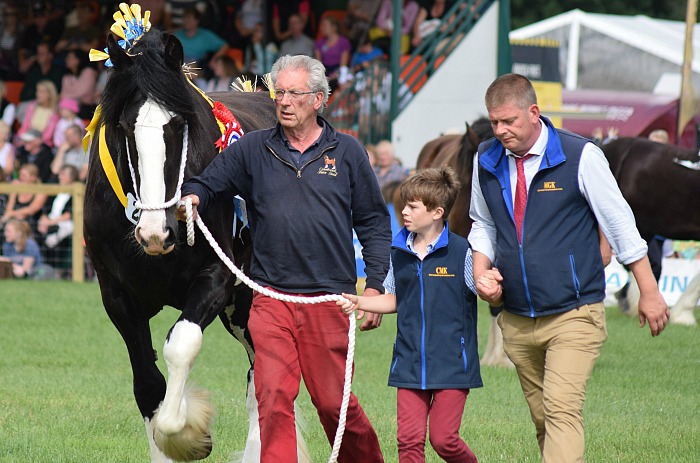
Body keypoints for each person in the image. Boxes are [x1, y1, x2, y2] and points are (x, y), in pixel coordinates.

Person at [178, 55, 390, 463]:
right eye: (280, 92)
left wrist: (376, 285)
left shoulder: (347, 152)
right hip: (271, 299)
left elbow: (374, 222)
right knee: (273, 398)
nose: (284, 101)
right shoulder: (254, 149)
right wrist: (194, 196)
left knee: (333, 405)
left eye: (295, 93)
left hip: (329, 301)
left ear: (319, 99)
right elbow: (209, 182)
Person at [469, 73, 670, 463]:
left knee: (561, 409)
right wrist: (481, 272)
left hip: (575, 312)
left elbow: (619, 223)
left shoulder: (581, 155)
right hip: (516, 316)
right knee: (545, 420)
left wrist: (649, 290)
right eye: (494, 122)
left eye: (508, 121)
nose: (500, 130)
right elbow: (483, 224)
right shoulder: (485, 158)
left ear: (534, 112)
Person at [337, 166, 481, 463]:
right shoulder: (398, 251)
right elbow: (393, 300)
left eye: (412, 206)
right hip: (409, 363)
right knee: (408, 441)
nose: (403, 211)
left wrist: (494, 284)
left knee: (444, 440)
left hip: (453, 365)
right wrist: (358, 302)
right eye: (404, 204)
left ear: (437, 211)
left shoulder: (463, 252)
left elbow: (484, 290)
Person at [37, 164, 78, 277]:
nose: (60, 177)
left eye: (63, 175)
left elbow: (69, 214)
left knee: (54, 235)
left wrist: (50, 222)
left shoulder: (75, 193)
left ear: (71, 177)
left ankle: (57, 269)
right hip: (51, 221)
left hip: (64, 224)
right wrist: (44, 219)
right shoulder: (57, 191)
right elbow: (46, 209)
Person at [173, 8, 229, 73]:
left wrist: (214, 59)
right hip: (178, 63)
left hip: (196, 65)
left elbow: (225, 46)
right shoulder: (177, 34)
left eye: (189, 19)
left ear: (197, 21)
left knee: (191, 67)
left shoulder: (205, 35)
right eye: (185, 18)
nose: (186, 21)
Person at [0, 163, 48, 235]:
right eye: (20, 175)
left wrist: (12, 214)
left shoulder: (40, 192)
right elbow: (9, 207)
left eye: (24, 176)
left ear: (33, 178)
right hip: (13, 221)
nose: (21, 178)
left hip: (31, 225)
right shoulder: (17, 188)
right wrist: (14, 190)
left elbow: (31, 210)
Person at [16, 80, 60, 149]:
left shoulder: (55, 112)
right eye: (37, 91)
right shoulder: (32, 106)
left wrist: (35, 142)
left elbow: (49, 134)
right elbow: (25, 125)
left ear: (49, 94)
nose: (38, 94)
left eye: (41, 92)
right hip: (28, 137)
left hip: (43, 143)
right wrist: (20, 137)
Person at [314, 16, 353, 88]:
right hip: (325, 72)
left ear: (334, 27)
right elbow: (318, 63)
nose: (322, 28)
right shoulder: (319, 43)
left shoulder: (343, 42)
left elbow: (343, 65)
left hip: (338, 72)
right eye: (321, 25)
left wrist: (335, 75)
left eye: (325, 25)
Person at [59, 48, 98, 120]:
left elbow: (83, 92)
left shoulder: (89, 72)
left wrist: (67, 96)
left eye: (70, 57)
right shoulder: (67, 76)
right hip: (69, 106)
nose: (67, 60)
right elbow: (63, 93)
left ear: (78, 60)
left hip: (86, 107)